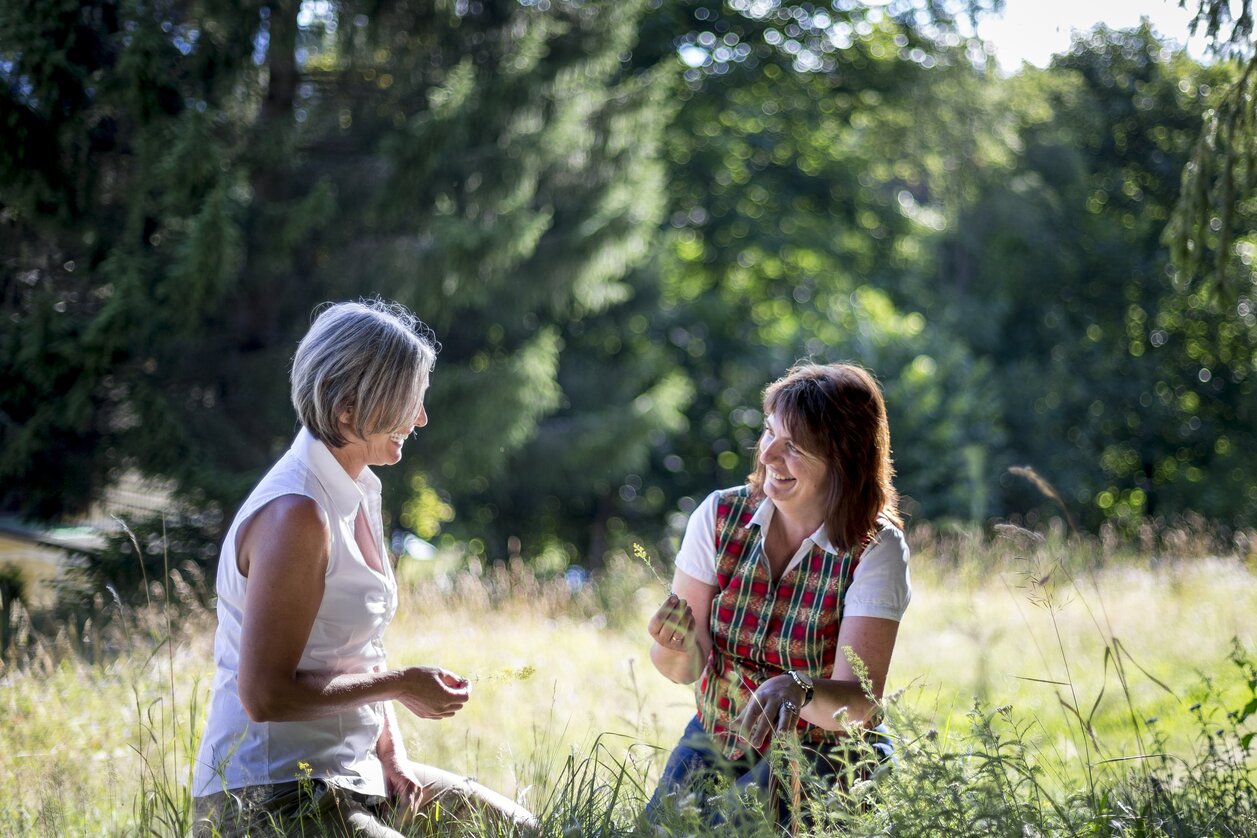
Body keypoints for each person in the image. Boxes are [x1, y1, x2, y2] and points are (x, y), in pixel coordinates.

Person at [192, 300, 536, 837]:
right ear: (348, 408)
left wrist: (392, 755)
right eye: (406, 402)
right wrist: (401, 684)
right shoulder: (297, 513)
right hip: (271, 793)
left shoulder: (358, 490)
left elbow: (357, 653)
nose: (420, 419)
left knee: (520, 829)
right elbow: (263, 696)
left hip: (353, 772)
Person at [645, 362, 910, 823]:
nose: (768, 456)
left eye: (794, 448)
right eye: (769, 434)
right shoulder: (719, 515)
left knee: (730, 824)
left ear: (843, 459)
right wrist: (674, 645)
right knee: (657, 833)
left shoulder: (876, 548)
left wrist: (800, 689)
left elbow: (861, 705)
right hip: (720, 738)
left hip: (825, 750)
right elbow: (684, 668)